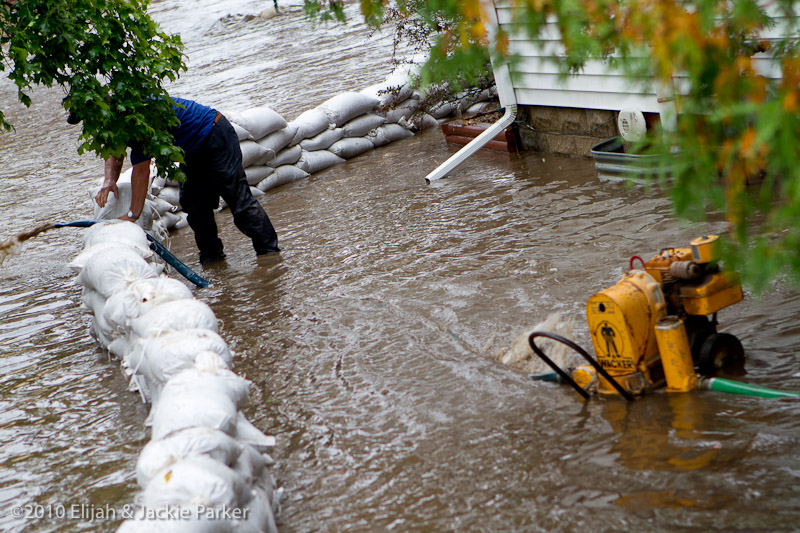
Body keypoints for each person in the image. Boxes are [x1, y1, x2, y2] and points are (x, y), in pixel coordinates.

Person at [89, 96, 280, 264]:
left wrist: (133, 214)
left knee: (238, 199)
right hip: (190, 150)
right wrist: (109, 180)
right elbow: (115, 148)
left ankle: (270, 255)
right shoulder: (116, 121)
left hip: (213, 133)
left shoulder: (135, 116)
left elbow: (141, 171)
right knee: (194, 205)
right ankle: (212, 258)